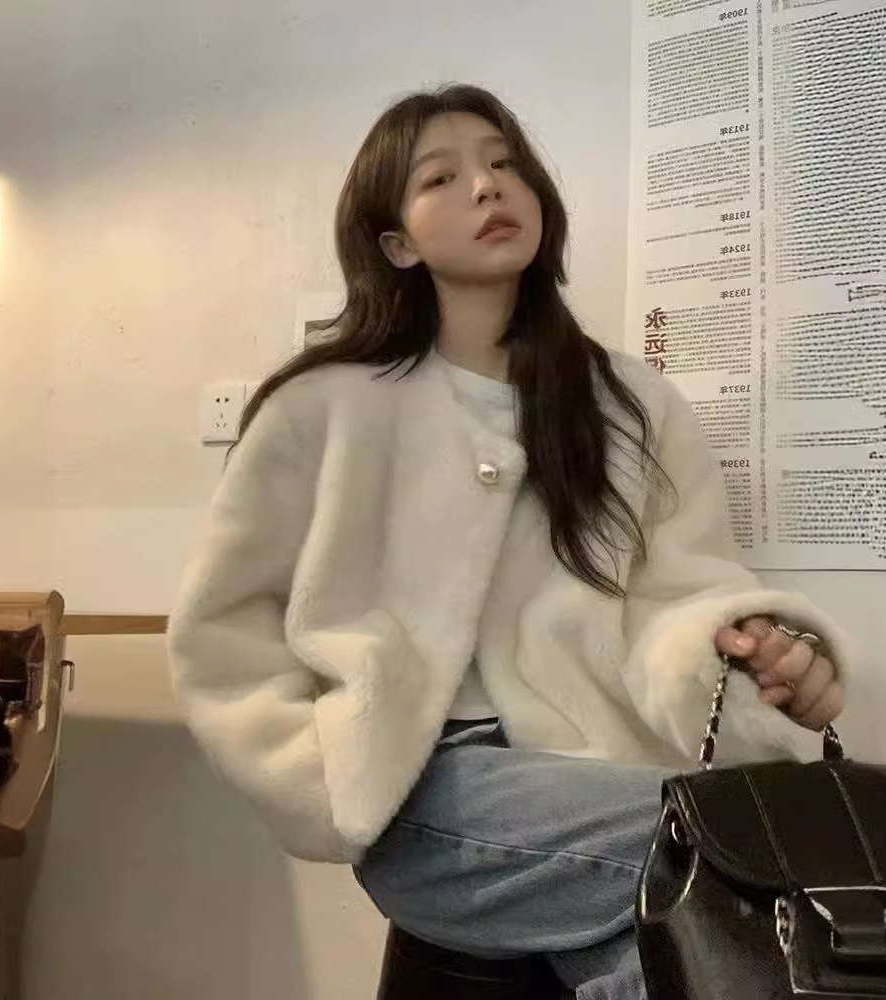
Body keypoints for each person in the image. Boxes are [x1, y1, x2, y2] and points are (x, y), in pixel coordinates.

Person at [167, 84, 848, 999]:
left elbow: (681, 596)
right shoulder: (321, 409)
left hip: (602, 764)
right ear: (397, 244)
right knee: (747, 845)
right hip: (423, 781)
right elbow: (223, 628)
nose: (487, 186)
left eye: (502, 163)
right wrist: (320, 776)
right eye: (440, 178)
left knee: (673, 944)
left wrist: (753, 652)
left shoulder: (632, 406)